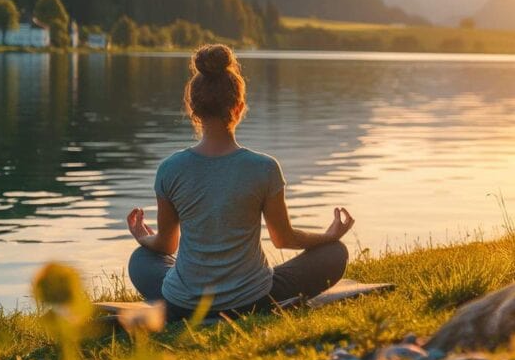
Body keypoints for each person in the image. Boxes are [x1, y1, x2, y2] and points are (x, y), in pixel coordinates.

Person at [126, 44, 354, 321]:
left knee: (141, 260)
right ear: (240, 107)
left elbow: (166, 245)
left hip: (184, 304)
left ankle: (185, 294)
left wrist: (142, 237)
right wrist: (329, 237)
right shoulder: (264, 168)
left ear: (191, 108)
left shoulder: (170, 168)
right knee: (334, 253)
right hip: (252, 301)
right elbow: (283, 238)